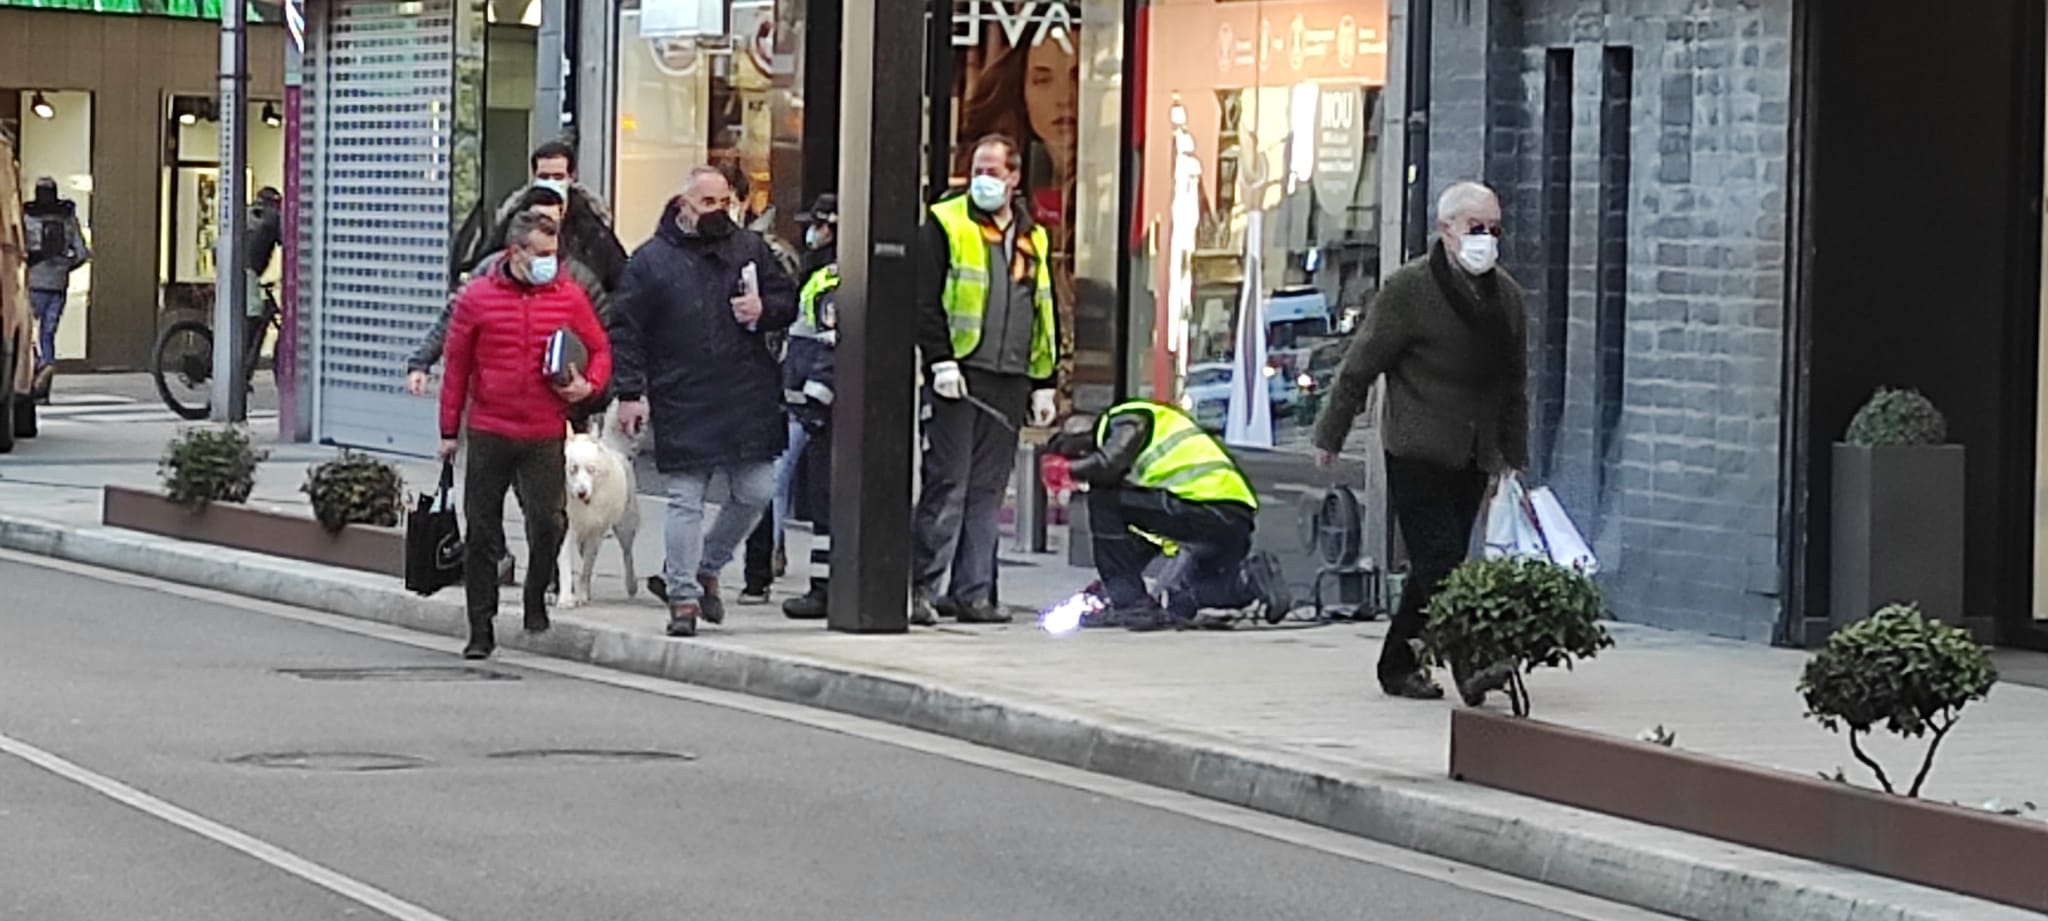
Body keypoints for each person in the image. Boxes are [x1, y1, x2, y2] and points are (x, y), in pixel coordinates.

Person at [1311, 181, 1530, 703]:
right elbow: (1360, 365)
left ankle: (1397, 663)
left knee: (1439, 561)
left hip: (1473, 451)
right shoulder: (1409, 290)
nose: (1487, 239)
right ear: (1446, 230)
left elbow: (1514, 382)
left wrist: (1512, 457)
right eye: (1476, 228)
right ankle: (1472, 664)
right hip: (1416, 446)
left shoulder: (1508, 298)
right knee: (1441, 562)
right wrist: (1331, 432)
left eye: (1495, 230)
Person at [611, 166, 798, 639]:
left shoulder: (750, 250)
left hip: (745, 389)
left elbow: (786, 299)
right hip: (682, 391)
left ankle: (707, 565)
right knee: (685, 498)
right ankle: (683, 597)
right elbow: (626, 331)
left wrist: (764, 311)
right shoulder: (651, 261)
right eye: (708, 204)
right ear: (684, 207)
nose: (719, 212)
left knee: (756, 490)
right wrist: (630, 393)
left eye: (726, 203)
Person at [438, 211, 611, 660]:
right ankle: (481, 626)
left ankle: (536, 593)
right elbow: (456, 365)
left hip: (543, 430)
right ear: (516, 253)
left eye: (555, 254)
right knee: (480, 530)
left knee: (548, 522)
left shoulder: (568, 296)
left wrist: (587, 385)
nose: (552, 262)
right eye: (543, 254)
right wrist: (448, 429)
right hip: (490, 429)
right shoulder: (476, 298)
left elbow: (599, 348)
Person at [910, 134, 1063, 627]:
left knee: (988, 492)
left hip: (1010, 375)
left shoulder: (1032, 235)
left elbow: (1043, 310)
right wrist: (940, 361)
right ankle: (920, 588)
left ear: (1015, 177)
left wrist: (1044, 381)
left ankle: (973, 594)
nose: (984, 180)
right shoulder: (946, 222)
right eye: (978, 169)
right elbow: (925, 299)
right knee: (949, 483)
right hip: (961, 371)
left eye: (993, 171)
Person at [1049, 401, 1287, 631]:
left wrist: (1067, 470)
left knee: (1103, 498)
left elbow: (1108, 462)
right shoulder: (1145, 472)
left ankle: (1131, 606)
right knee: (1181, 600)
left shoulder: (1127, 419)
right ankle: (1249, 580)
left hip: (1207, 507)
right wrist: (1111, 583)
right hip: (1231, 521)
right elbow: (1148, 539)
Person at [457, 140, 629, 296]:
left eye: (558, 177)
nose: (551, 182)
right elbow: (485, 271)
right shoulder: (511, 223)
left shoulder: (592, 229)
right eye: (544, 176)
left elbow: (619, 281)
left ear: (572, 177)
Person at [778, 193, 840, 620]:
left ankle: (825, 588)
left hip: (825, 405)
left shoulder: (835, 277)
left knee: (823, 498)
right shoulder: (819, 272)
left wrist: (817, 394)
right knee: (813, 497)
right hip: (810, 398)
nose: (810, 232)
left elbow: (834, 342)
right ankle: (822, 585)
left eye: (817, 224)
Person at [21, 177, 89, 397]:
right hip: (59, 284)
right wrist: (64, 268)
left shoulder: (28, 216)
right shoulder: (67, 218)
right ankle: (47, 368)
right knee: (48, 332)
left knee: (27, 331)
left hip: (34, 281)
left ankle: (38, 368)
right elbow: (81, 253)